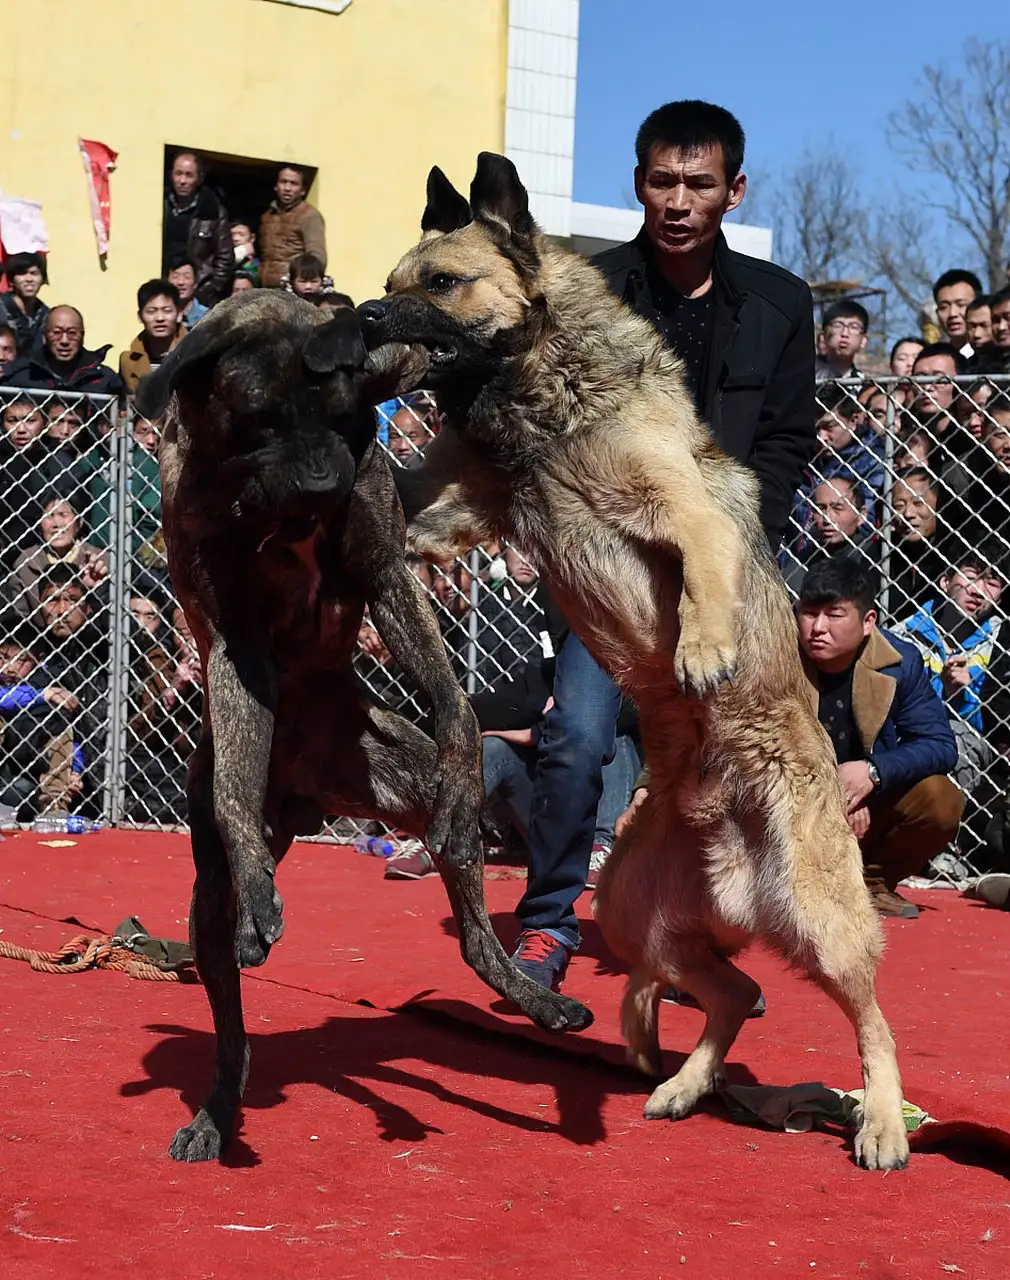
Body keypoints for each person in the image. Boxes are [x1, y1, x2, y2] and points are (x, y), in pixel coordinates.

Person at [508, 99, 817, 991]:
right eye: (662, 181)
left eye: (699, 183)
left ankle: (695, 929)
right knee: (576, 740)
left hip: (724, 576)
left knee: (727, 762)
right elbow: (554, 438)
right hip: (608, 573)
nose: (679, 201)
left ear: (734, 191)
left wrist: (733, 551)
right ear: (637, 183)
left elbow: (787, 443)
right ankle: (548, 926)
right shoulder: (586, 296)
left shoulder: (781, 302)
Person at [796, 559, 962, 916]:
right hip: (792, 802)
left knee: (940, 799)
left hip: (869, 803)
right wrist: (831, 794)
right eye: (809, 613)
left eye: (834, 615)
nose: (818, 628)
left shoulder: (900, 662)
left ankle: (872, 883)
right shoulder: (779, 658)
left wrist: (872, 773)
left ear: (868, 621)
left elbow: (940, 745)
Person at [7, 494, 106, 618]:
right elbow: (20, 619)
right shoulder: (24, 563)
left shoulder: (101, 561)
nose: (56, 524)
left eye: (63, 515)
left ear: (79, 522)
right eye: (49, 516)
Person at [161, 151, 232, 305]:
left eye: (189, 175)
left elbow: (225, 258)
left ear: (199, 179)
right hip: (163, 288)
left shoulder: (213, 212)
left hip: (198, 293)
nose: (182, 181)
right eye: (178, 174)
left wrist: (206, 290)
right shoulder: (161, 204)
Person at [1, 306, 122, 394]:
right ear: (45, 335)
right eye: (57, 333)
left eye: (72, 333)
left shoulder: (103, 378)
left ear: (82, 336)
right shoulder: (20, 374)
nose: (64, 341)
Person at [258, 165, 327, 289]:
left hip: (290, 289)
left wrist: (302, 284)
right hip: (265, 287)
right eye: (283, 182)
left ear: (303, 190)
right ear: (276, 186)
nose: (287, 188)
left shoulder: (309, 216)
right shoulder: (267, 216)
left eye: (294, 183)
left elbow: (317, 258)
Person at [119, 280, 186, 392]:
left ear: (179, 315)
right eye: (151, 311)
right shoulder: (128, 361)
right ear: (140, 317)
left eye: (167, 311)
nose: (160, 318)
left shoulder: (196, 355)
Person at [0, 253, 49, 355]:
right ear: (11, 281)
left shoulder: (46, 314)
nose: (29, 279)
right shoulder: (2, 308)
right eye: (22, 274)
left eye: (34, 273)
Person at [933, 269, 982, 357]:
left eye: (961, 305)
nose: (952, 314)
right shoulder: (935, 359)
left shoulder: (995, 357)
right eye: (944, 307)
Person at [815, 300, 868, 381]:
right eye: (837, 325)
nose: (844, 333)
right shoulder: (804, 372)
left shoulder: (864, 385)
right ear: (823, 336)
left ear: (863, 341)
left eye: (854, 327)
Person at [166, 260, 209, 331]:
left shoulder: (207, 316)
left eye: (187, 277)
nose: (181, 282)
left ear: (195, 283)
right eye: (175, 276)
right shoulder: (161, 316)